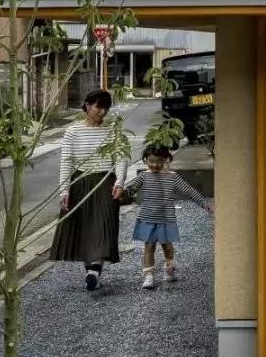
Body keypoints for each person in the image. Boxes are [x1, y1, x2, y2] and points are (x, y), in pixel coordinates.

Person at [50, 89, 130, 290]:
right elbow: (66, 162)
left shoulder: (113, 130)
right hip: (80, 182)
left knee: (102, 227)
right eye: (98, 107)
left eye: (106, 108)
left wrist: (120, 182)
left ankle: (94, 271)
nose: (102, 112)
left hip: (105, 182)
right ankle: (92, 273)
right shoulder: (72, 132)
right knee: (85, 229)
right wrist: (64, 191)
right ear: (87, 106)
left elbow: (121, 157)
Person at [133, 142, 212, 289]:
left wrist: (203, 202)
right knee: (149, 246)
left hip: (166, 218)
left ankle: (169, 267)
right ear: (145, 160)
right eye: (151, 161)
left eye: (158, 161)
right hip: (147, 217)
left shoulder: (172, 177)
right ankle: (149, 275)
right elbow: (130, 189)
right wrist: (121, 193)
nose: (154, 165)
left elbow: (189, 191)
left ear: (166, 159)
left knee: (167, 246)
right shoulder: (143, 176)